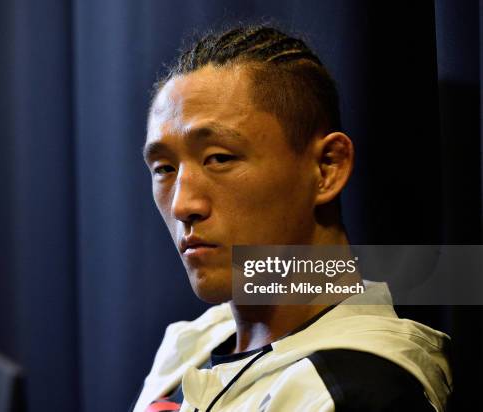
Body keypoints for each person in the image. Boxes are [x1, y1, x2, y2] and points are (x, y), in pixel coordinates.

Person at [133, 24, 452, 412]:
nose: (183, 204)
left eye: (219, 158)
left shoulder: (359, 389)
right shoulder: (194, 343)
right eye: (164, 168)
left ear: (327, 168)